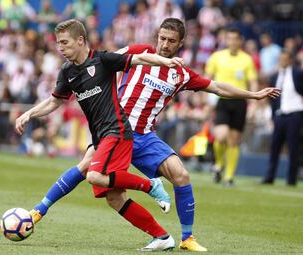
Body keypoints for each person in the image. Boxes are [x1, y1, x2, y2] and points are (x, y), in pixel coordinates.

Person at [28, 18, 280, 252]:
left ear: (181, 43)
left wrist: (253, 95)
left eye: (171, 41)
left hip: (145, 136)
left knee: (181, 174)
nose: (164, 44)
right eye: (161, 38)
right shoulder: (138, 51)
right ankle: (40, 211)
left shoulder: (181, 73)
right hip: (114, 128)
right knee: (97, 179)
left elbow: (216, 87)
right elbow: (105, 61)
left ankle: (186, 238)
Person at [15, 19, 187, 251]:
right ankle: (162, 237)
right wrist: (29, 114)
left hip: (117, 131)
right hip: (100, 136)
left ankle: (150, 186)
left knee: (93, 174)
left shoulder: (103, 60)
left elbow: (142, 58)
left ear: (80, 40)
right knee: (114, 198)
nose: (60, 48)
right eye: (58, 44)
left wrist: (166, 61)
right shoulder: (67, 72)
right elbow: (54, 101)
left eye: (64, 43)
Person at [205, 27, 259, 186]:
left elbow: (253, 81)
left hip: (240, 102)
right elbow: (207, 78)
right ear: (226, 40)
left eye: (235, 39)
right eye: (229, 38)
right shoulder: (217, 57)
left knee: (234, 140)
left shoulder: (246, 59)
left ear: (240, 41)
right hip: (222, 99)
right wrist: (205, 101)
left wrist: (254, 103)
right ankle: (219, 164)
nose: (232, 42)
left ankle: (228, 177)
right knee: (221, 136)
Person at [261, 50, 303, 186]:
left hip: (294, 115)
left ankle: (291, 180)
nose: (282, 61)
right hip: (279, 116)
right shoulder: (275, 77)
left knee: (293, 148)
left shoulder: (298, 74)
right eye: (280, 59)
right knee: (274, 147)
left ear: (290, 60)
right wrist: (273, 116)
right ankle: (269, 176)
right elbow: (273, 100)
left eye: (284, 59)